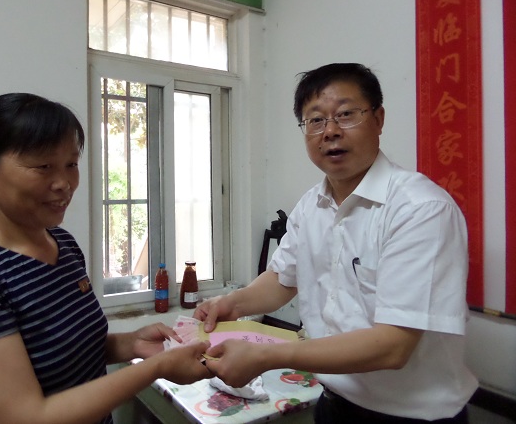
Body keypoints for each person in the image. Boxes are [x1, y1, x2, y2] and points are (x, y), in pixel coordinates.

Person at [195, 63, 478, 423]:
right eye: (315, 120)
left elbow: (393, 346)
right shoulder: (311, 206)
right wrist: (230, 303)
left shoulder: (420, 209)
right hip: (333, 404)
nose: (330, 131)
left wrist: (268, 356)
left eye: (346, 114)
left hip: (412, 417)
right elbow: (282, 279)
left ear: (378, 119)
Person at [0, 93, 212, 424]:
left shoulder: (62, 244)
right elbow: (26, 417)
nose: (64, 184)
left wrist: (131, 344)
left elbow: (65, 349)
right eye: (43, 166)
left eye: (71, 165)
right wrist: (156, 368)